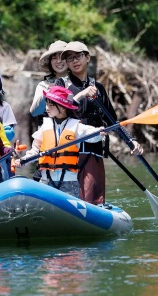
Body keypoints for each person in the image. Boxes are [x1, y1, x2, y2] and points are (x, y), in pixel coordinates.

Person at [55, 41, 143, 205]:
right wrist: (81, 95)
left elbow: (112, 121)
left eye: (78, 56)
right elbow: (58, 111)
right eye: (70, 58)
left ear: (87, 57)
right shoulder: (61, 85)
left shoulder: (98, 88)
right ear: (66, 63)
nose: (74, 61)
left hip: (92, 150)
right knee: (68, 198)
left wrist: (131, 141)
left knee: (92, 200)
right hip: (67, 150)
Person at [13, 86, 102, 198]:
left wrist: (100, 132)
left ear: (63, 107)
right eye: (47, 104)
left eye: (51, 105)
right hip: (46, 181)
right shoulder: (45, 127)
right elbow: (36, 150)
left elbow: (92, 135)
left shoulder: (76, 126)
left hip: (68, 183)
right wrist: (23, 160)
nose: (47, 108)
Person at [29, 40, 68, 126]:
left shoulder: (77, 84)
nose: (58, 61)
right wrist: (47, 94)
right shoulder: (43, 85)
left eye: (62, 57)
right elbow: (34, 112)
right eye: (54, 58)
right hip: (48, 132)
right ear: (50, 62)